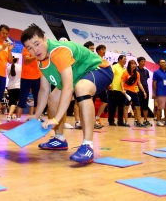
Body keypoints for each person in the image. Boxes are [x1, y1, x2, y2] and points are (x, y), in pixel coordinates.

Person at [21, 26, 113, 164]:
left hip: (99, 69)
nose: (35, 50)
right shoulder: (41, 63)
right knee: (53, 98)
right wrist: (36, 115)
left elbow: (68, 88)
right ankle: (59, 139)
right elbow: (44, 90)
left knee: (81, 89)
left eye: (37, 44)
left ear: (45, 39)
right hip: (78, 75)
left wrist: (56, 119)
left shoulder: (59, 52)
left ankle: (88, 145)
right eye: (29, 48)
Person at [16, 46, 42, 121]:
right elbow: (26, 61)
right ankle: (18, 118)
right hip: (26, 77)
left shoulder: (39, 48)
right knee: (22, 99)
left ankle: (37, 118)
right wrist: (36, 56)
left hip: (37, 77)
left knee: (38, 99)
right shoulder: (26, 48)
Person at [121, 59, 147, 127]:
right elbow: (122, 82)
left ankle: (138, 122)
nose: (133, 65)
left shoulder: (137, 74)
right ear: (129, 65)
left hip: (135, 92)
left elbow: (139, 83)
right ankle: (126, 122)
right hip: (127, 92)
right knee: (126, 107)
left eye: (134, 64)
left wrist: (144, 91)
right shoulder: (125, 72)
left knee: (138, 107)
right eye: (132, 64)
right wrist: (123, 90)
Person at [153, 59, 166, 127]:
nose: (162, 63)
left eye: (164, 62)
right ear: (159, 63)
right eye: (161, 62)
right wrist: (154, 92)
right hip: (160, 93)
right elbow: (154, 83)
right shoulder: (156, 72)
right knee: (159, 108)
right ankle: (158, 121)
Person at [94, 44, 109, 129]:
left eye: (105, 49)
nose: (104, 51)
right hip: (95, 83)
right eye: (102, 49)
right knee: (92, 102)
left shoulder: (105, 61)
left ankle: (97, 118)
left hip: (102, 84)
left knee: (105, 101)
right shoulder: (95, 59)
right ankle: (92, 120)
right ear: (98, 51)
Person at [136, 57, 152, 126]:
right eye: (142, 61)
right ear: (138, 62)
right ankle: (137, 120)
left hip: (146, 89)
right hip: (137, 90)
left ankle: (145, 120)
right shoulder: (135, 70)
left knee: (145, 106)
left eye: (144, 61)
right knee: (137, 106)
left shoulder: (146, 71)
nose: (143, 63)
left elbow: (146, 79)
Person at [112, 55, 127, 126]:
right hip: (114, 89)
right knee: (113, 106)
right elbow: (110, 76)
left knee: (121, 107)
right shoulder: (114, 67)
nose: (125, 60)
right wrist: (110, 85)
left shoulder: (125, 69)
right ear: (120, 59)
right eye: (124, 59)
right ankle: (111, 120)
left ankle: (120, 121)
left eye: (126, 59)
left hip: (122, 90)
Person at [6, 57, 21, 121]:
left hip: (10, 86)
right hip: (17, 86)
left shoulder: (8, 67)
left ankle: (11, 115)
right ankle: (9, 115)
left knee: (11, 101)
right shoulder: (20, 67)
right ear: (17, 60)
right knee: (14, 102)